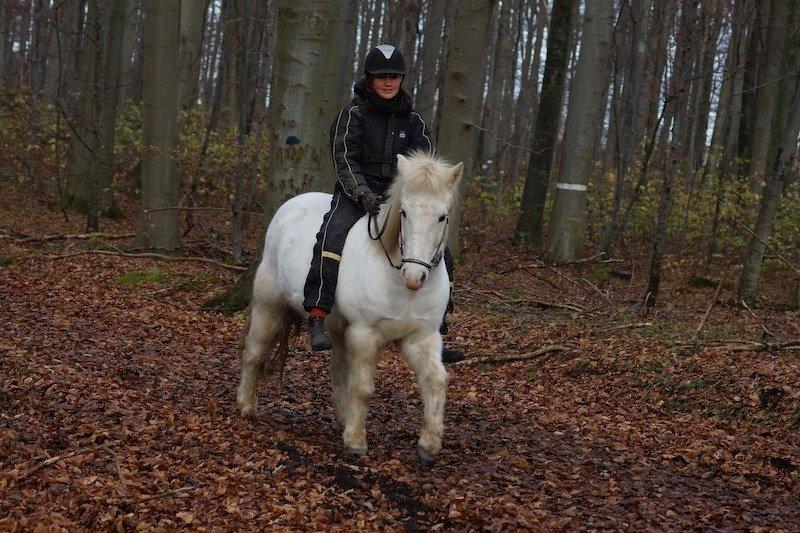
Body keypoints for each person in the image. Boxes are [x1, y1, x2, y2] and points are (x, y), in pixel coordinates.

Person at [302, 44, 464, 363]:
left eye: (394, 77)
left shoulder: (413, 120)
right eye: (381, 77)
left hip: (399, 200)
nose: (388, 83)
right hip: (356, 195)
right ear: (370, 79)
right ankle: (318, 315)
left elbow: (424, 165)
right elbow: (344, 158)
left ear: (401, 79)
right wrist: (362, 193)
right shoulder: (353, 113)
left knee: (442, 252)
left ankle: (438, 327)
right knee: (331, 238)